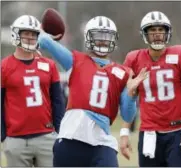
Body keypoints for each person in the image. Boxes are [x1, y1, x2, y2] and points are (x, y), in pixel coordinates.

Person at [38, 15, 148, 167]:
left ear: (113, 39)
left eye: (107, 36)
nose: (103, 40)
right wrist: (47, 32)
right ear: (88, 38)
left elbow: (127, 115)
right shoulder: (75, 61)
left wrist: (130, 94)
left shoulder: (123, 73)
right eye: (98, 36)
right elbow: (44, 42)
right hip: (71, 137)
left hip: (101, 142)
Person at [121, 11, 181, 167]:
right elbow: (127, 102)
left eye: (161, 30)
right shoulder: (133, 59)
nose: (157, 34)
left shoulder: (180, 54)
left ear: (167, 33)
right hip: (149, 133)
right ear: (145, 34)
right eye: (152, 30)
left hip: (177, 131)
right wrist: (124, 134)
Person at [1, 15, 65, 167]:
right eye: (26, 33)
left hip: (46, 136)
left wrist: (59, 132)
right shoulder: (4, 67)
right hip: (16, 139)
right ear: (16, 34)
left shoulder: (49, 65)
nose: (30, 38)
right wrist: (4, 136)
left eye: (33, 34)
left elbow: (58, 101)